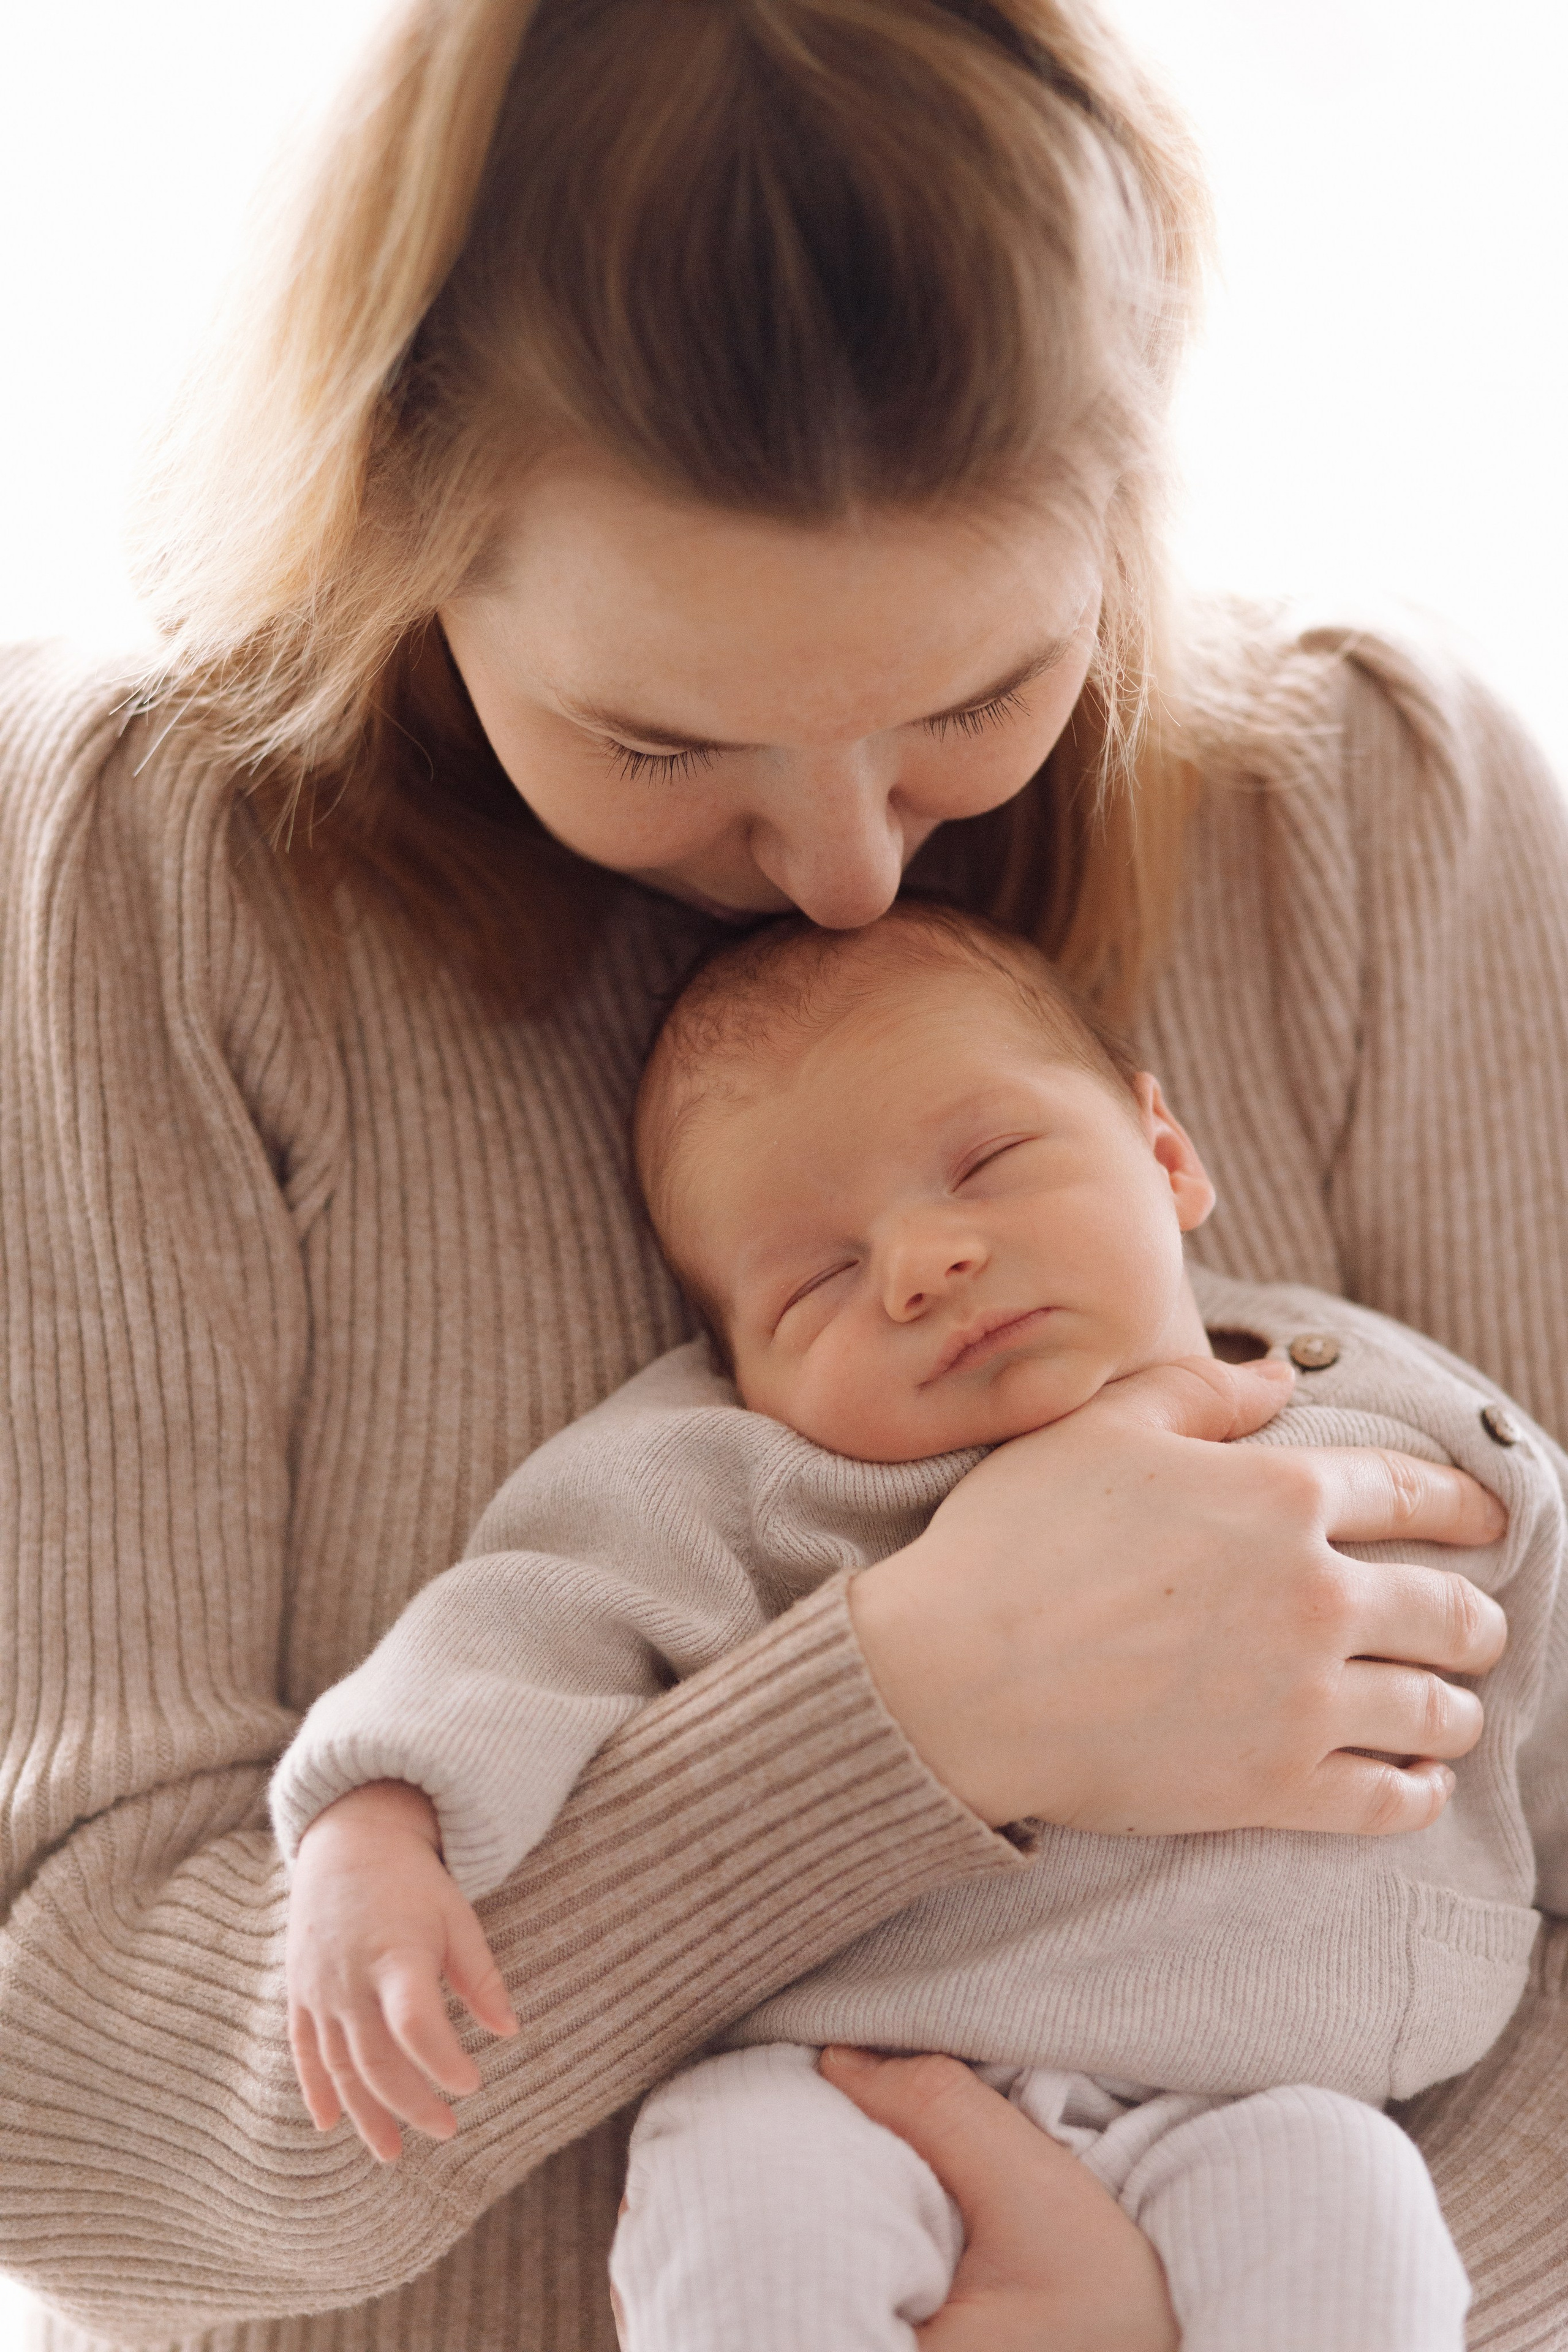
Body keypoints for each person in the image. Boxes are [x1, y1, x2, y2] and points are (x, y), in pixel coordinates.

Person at [0, 1, 1565, 2349]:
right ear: (395, 516)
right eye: (658, 738)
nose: (845, 875)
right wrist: (913, 1713)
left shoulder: (1378, 816)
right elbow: (67, 2121)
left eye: (979, 696)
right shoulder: (136, 883)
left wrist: (1219, 2309)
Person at [271, 900, 1566, 2350]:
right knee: (749, 2193)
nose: (920, 1261)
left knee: (1354, 2217)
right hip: (852, 2083)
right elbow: (515, 1628)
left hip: (1273, 2101)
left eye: (987, 1163)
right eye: (816, 1282)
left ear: (1164, 1155)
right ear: (738, 1370)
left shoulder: (1406, 1432)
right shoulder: (741, 1480)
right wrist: (374, 1822)